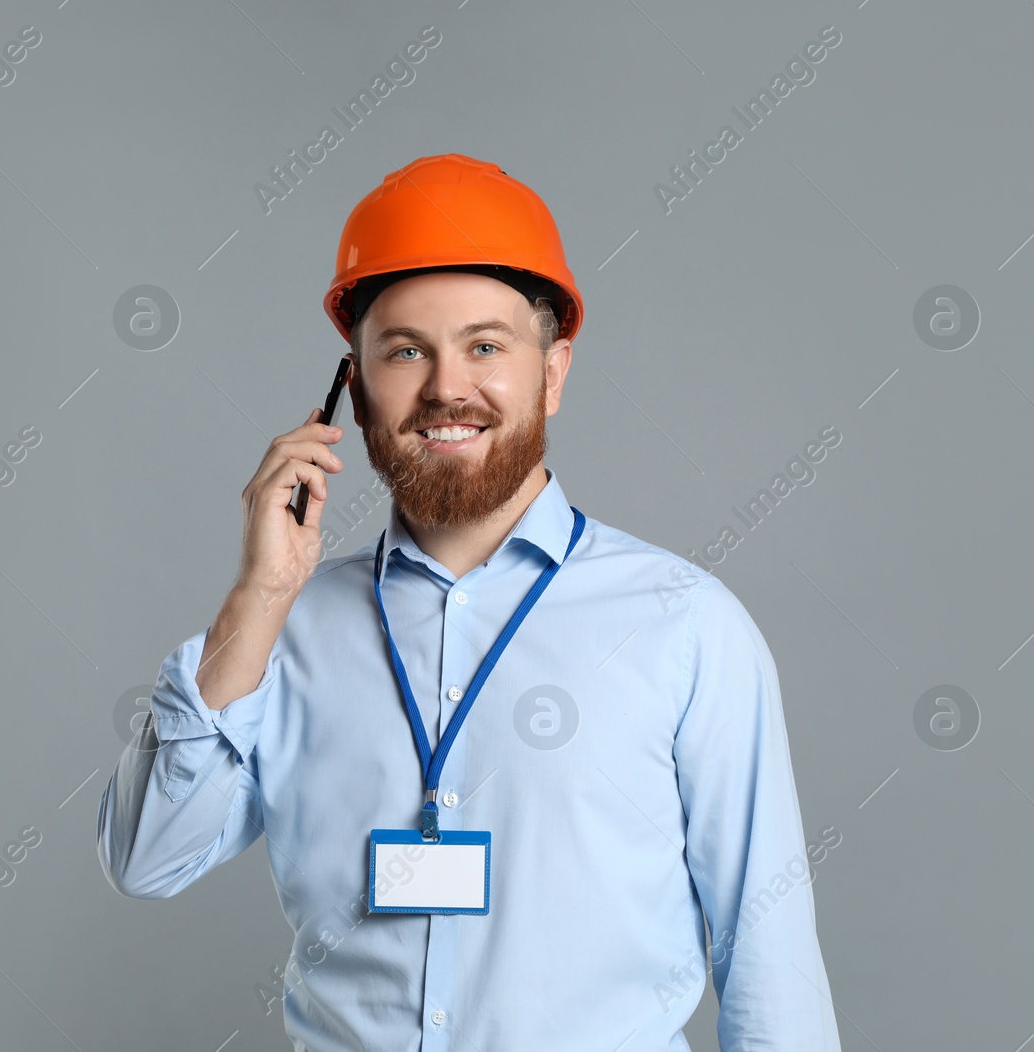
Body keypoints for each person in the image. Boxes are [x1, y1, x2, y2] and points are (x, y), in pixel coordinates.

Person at [97, 153, 841, 1051]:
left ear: (553, 372)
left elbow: (769, 960)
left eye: (485, 346)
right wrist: (258, 596)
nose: (448, 387)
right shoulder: (280, 635)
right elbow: (144, 858)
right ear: (356, 388)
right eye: (406, 350)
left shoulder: (685, 623)